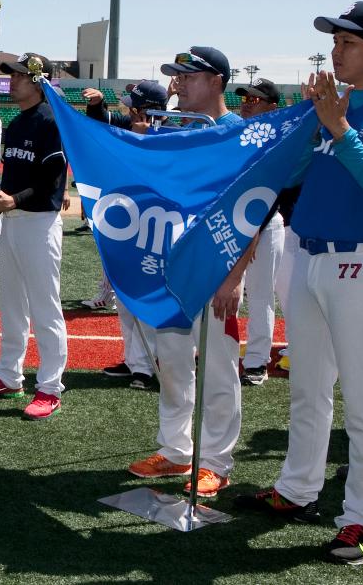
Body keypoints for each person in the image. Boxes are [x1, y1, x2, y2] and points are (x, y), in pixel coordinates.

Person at [235, 1, 363, 566]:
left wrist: (339, 129)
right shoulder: (328, 105)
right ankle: (297, 490)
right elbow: (293, 177)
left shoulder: (349, 111)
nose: (336, 51)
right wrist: (303, 128)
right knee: (307, 389)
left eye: (348, 42)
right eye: (335, 42)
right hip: (310, 254)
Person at [126, 45, 244, 498]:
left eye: (187, 76)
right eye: (175, 76)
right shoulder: (175, 128)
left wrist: (234, 276)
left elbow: (251, 210)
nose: (178, 84)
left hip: (215, 265)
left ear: (215, 80)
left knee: (218, 367)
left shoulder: (239, 132)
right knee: (172, 365)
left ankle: (216, 461)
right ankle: (175, 452)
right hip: (171, 264)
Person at [0, 53, 68, 420]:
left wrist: (14, 200)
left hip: (39, 222)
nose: (13, 81)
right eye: (12, 76)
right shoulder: (17, 123)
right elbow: (10, 178)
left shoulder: (49, 122)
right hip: (11, 221)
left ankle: (50, 387)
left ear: (39, 82)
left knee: (45, 307)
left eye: (20, 77)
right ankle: (9, 375)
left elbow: (52, 181)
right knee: (11, 306)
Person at [82, 79, 169, 391]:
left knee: (147, 299)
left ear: (148, 109)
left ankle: (148, 367)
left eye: (133, 104)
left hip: (156, 228)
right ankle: (135, 361)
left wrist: (150, 138)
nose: (128, 110)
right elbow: (101, 120)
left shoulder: (172, 133)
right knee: (126, 301)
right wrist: (95, 105)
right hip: (129, 224)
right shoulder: (132, 123)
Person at [235, 77, 286, 386]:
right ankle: (226, 353)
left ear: (272, 107)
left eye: (254, 99)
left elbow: (272, 193)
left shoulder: (280, 138)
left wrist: (254, 234)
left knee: (260, 295)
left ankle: (257, 361)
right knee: (227, 294)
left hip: (266, 225)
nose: (246, 103)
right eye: (245, 98)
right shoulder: (238, 133)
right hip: (238, 224)